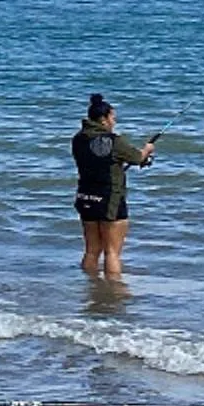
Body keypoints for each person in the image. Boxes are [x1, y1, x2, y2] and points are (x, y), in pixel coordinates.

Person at [73, 93, 150, 280]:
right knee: (112, 252)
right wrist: (147, 149)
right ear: (103, 119)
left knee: (91, 251)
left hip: (85, 197)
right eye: (113, 118)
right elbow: (137, 157)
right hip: (110, 199)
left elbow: (99, 157)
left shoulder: (78, 139)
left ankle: (89, 286)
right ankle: (112, 294)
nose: (114, 122)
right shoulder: (115, 141)